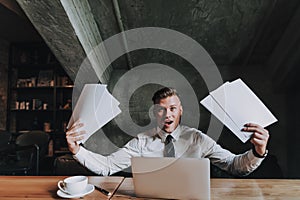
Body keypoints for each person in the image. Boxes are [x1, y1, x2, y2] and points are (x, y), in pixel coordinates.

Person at [66, 87, 269, 176]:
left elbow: (234, 165)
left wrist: (258, 151)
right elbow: (107, 166)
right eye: (161, 109)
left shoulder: (196, 138)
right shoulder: (141, 141)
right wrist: (77, 151)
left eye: (172, 108)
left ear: (180, 111)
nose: (167, 114)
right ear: (155, 112)